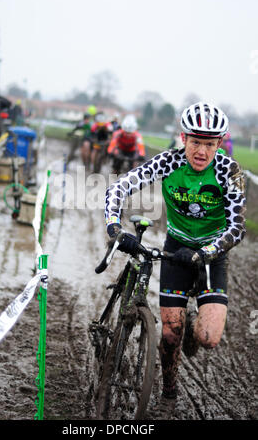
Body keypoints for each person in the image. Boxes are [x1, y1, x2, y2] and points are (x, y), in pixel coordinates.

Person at [104, 102, 246, 400]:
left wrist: (205, 252)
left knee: (208, 338)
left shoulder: (229, 171)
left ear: (219, 143)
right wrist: (114, 227)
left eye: (209, 144)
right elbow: (119, 188)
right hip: (177, 246)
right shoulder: (168, 161)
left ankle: (197, 321)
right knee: (170, 334)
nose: (201, 151)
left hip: (212, 253)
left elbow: (237, 228)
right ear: (184, 138)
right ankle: (168, 389)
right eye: (195, 142)